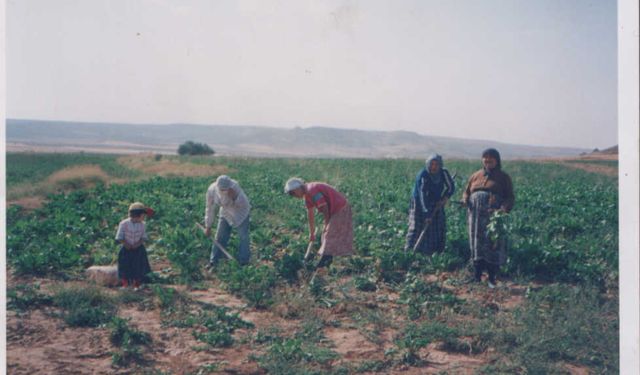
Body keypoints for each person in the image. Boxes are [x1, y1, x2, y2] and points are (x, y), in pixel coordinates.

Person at [462, 148, 514, 288]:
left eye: (491, 158)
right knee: (476, 243)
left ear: (497, 160)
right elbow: (466, 192)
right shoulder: (475, 175)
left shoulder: (503, 177)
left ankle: (491, 278)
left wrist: (503, 209)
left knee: (493, 244)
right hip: (475, 216)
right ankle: (477, 276)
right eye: (485, 157)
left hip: (493, 216)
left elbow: (509, 197)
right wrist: (466, 199)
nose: (488, 160)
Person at [284, 178, 353, 268]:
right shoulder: (307, 196)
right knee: (326, 235)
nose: (294, 196)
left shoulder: (312, 190)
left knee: (329, 234)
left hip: (340, 208)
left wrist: (326, 223)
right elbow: (310, 214)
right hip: (334, 210)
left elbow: (324, 208)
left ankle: (324, 263)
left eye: (293, 193)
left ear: (298, 188)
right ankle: (326, 260)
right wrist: (311, 233)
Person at [404, 154, 455, 255]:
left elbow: (451, 187)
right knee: (416, 226)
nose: (434, 167)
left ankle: (433, 251)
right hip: (419, 203)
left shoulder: (443, 173)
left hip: (436, 202)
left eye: (436, 164)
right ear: (428, 164)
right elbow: (422, 195)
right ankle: (409, 252)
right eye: (431, 164)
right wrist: (426, 214)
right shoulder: (422, 175)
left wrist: (445, 198)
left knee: (437, 226)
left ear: (440, 165)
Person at [205, 175, 251, 266]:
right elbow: (209, 208)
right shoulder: (212, 190)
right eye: (222, 190)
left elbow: (244, 203)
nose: (224, 191)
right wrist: (208, 226)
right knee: (220, 236)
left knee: (243, 237)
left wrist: (235, 198)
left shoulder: (235, 187)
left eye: (225, 189)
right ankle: (214, 261)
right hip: (225, 212)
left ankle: (244, 262)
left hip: (240, 212)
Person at [116, 202, 154, 290]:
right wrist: (126, 244)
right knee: (124, 266)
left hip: (138, 248)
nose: (144, 217)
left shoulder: (142, 225)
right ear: (137, 215)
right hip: (126, 248)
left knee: (139, 266)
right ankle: (125, 284)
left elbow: (143, 237)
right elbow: (119, 237)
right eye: (143, 215)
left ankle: (137, 284)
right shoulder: (124, 224)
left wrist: (138, 244)